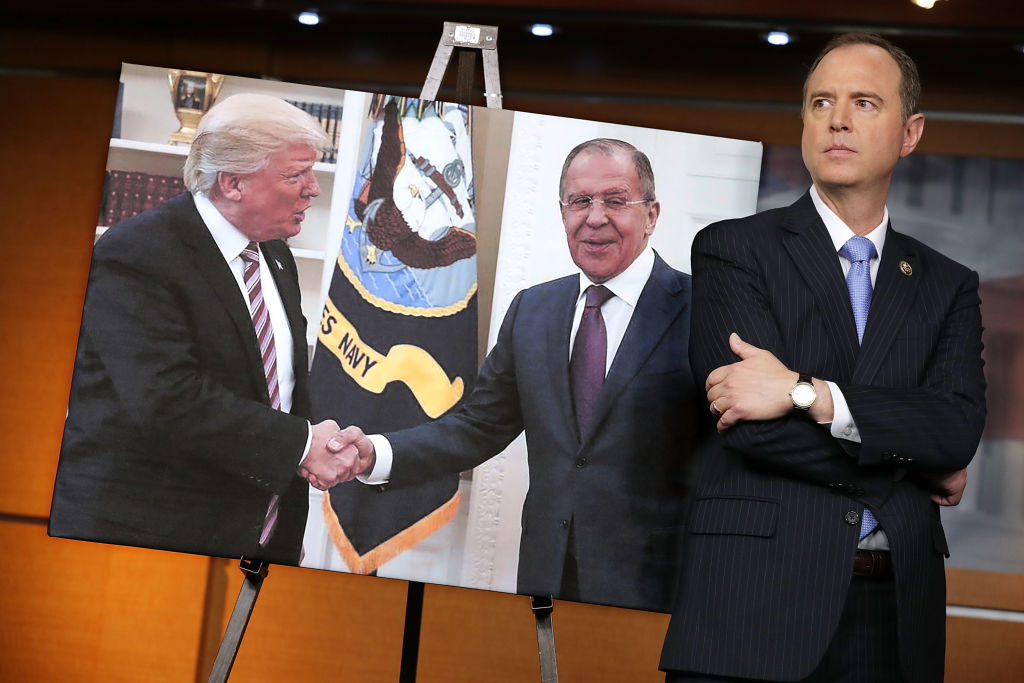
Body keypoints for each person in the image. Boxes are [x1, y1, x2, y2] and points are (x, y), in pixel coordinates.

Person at [660, 33, 986, 683]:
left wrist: (809, 393)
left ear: (910, 131)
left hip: (892, 614)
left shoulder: (948, 283)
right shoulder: (732, 251)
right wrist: (918, 469)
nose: (837, 118)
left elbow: (956, 428)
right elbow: (753, 427)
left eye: (864, 102)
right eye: (820, 102)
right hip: (749, 606)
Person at [320, 139, 700, 612]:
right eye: (580, 201)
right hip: (546, 577)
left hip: (660, 585)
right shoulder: (533, 310)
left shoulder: (703, 310)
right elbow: (479, 427)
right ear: (563, 211)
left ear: (652, 213)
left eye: (616, 200)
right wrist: (374, 452)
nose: (595, 217)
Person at [49, 94, 349, 565]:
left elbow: (282, 389)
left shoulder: (274, 254)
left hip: (255, 534)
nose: (312, 189)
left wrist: (280, 525)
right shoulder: (136, 253)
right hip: (144, 535)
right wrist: (304, 445)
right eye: (295, 175)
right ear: (232, 184)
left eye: (312, 172)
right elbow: (166, 398)